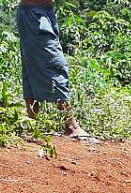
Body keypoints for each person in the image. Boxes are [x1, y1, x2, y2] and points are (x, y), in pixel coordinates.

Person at [16, 0, 89, 138]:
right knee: (56, 64)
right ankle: (71, 126)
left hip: (45, 11)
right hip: (34, 13)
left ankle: (32, 124)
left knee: (32, 63)